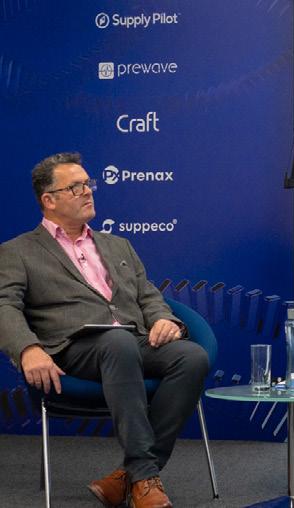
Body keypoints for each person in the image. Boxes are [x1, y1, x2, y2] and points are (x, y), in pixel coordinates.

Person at [0, 152, 209, 508]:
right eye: (75, 187)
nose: (87, 191)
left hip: (132, 339)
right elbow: (4, 305)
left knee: (192, 357)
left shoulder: (117, 244)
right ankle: (144, 477)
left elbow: (148, 296)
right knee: (116, 342)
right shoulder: (18, 251)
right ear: (49, 200)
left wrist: (164, 319)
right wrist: (27, 349)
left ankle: (131, 475)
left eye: (88, 184)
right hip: (74, 347)